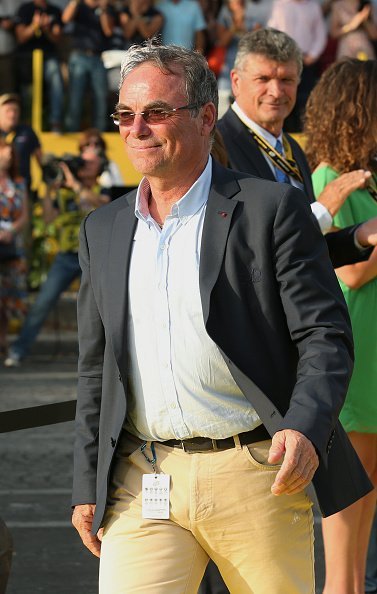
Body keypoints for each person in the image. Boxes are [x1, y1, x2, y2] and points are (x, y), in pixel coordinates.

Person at [71, 40, 372, 594]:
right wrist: (86, 482)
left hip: (258, 473)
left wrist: (304, 429)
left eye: (156, 113)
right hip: (143, 481)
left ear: (206, 117)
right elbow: (96, 369)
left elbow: (324, 335)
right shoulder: (103, 229)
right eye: (126, 115)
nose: (137, 128)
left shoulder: (269, 209)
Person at [304, 57, 377, 594]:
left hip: (373, 370)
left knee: (361, 543)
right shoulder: (332, 178)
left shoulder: (366, 182)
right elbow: (351, 273)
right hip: (355, 373)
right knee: (344, 556)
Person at [217, 28, 377, 270]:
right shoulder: (216, 145)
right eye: (263, 79)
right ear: (236, 82)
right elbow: (242, 246)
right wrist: (322, 210)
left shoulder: (292, 149)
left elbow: (307, 250)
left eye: (286, 80)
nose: (276, 91)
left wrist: (360, 236)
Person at [4, 151, 110, 368]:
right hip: (66, 255)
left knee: (100, 307)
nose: (85, 166)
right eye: (83, 162)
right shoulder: (63, 190)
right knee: (42, 303)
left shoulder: (104, 183)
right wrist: (49, 189)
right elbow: (49, 218)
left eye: (90, 162)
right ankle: (18, 350)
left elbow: (104, 205)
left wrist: (76, 185)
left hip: (95, 255)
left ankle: (106, 356)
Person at [267, 0, 327, 131]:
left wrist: (312, 55)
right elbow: (272, 31)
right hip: (284, 61)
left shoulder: (313, 7)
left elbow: (320, 34)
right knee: (283, 97)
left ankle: (306, 133)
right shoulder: (280, 5)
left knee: (306, 100)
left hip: (306, 62)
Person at [62, 0, 114, 132]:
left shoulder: (105, 7)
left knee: (101, 98)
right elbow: (66, 19)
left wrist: (103, 9)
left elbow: (108, 31)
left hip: (98, 57)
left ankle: (99, 134)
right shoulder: (78, 5)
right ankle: (71, 131)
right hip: (79, 55)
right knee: (76, 97)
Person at [14, 0, 65, 133]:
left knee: (55, 80)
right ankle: (24, 126)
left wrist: (46, 29)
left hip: (49, 56)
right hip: (27, 58)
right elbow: (21, 37)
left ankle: (55, 122)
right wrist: (35, 25)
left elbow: (57, 38)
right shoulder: (25, 9)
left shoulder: (54, 10)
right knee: (27, 92)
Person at [0, 138, 28, 358]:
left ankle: (4, 342)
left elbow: (25, 215)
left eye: (10, 153)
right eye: (3, 151)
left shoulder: (18, 182)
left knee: (8, 300)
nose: (8, 156)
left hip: (12, 248)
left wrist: (11, 231)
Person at [0, 93, 42, 193]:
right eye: (8, 110)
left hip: (23, 190)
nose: (12, 114)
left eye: (15, 110)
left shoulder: (27, 132)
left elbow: (41, 160)